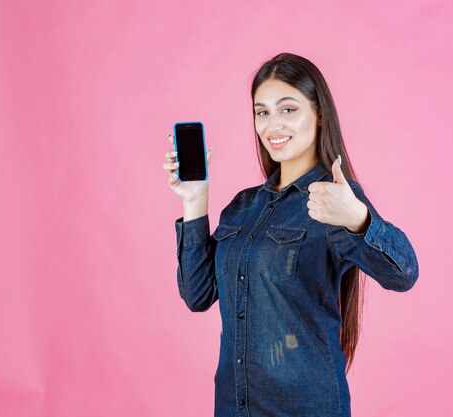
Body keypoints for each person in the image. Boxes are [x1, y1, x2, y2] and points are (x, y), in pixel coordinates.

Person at [163, 52, 419, 417]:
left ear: (318, 114)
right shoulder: (243, 207)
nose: (272, 125)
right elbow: (197, 294)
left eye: (287, 109)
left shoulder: (334, 200)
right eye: (261, 112)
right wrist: (195, 200)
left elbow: (404, 273)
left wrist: (358, 219)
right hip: (235, 408)